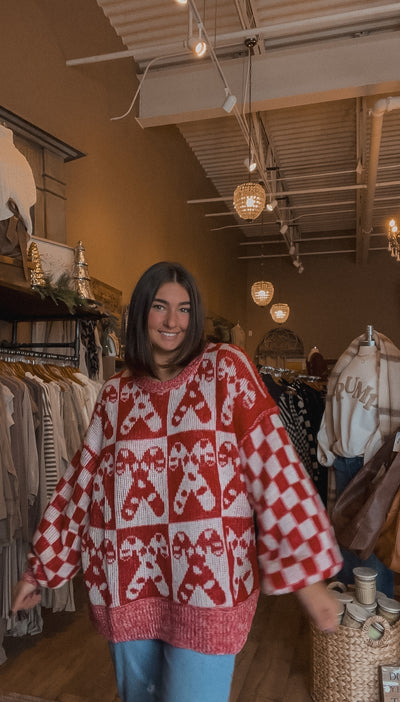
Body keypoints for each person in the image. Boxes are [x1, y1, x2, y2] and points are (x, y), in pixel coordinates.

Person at [12, 261, 342, 702]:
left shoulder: (227, 369)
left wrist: (309, 581)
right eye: (160, 307)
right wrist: (42, 567)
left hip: (210, 588)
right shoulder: (115, 394)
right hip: (126, 584)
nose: (173, 321)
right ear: (141, 314)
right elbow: (79, 483)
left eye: (185, 309)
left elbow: (274, 465)